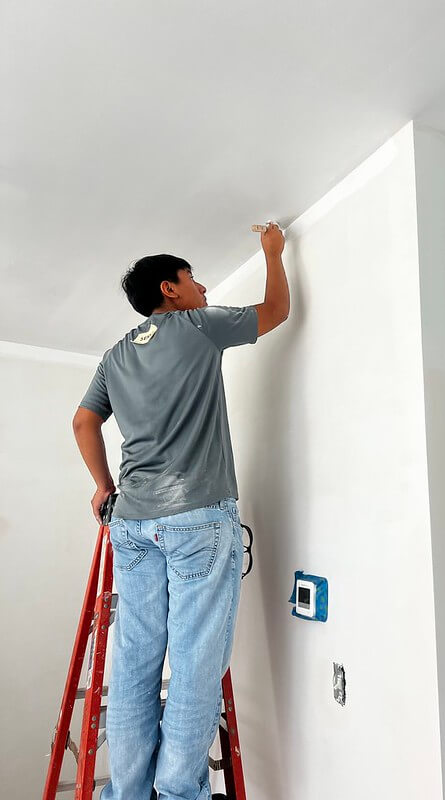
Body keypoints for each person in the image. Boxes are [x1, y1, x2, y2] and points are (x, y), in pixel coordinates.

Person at [72, 222, 289, 800]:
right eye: (193, 278)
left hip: (132, 522)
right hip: (196, 517)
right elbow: (276, 310)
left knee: (137, 658)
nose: (203, 287)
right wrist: (272, 252)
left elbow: (83, 421)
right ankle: (175, 792)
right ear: (170, 289)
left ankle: (128, 791)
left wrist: (103, 485)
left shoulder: (116, 355)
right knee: (194, 660)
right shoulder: (198, 325)